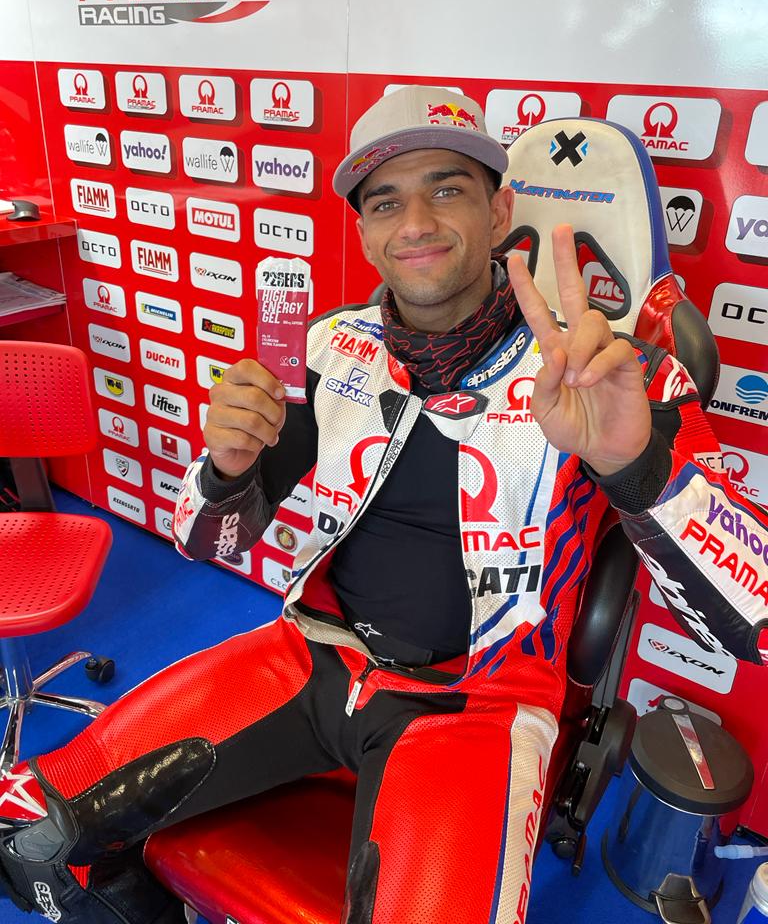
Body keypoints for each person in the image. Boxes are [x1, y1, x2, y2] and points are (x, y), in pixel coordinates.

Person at [1, 85, 766, 924]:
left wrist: (632, 466)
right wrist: (224, 472)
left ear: (498, 210)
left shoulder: (613, 374)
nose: (416, 223)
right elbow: (208, 543)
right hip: (311, 657)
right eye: (386, 201)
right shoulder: (332, 347)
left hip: (476, 707)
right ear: (365, 233)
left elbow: (755, 618)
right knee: (25, 828)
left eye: (447, 188)